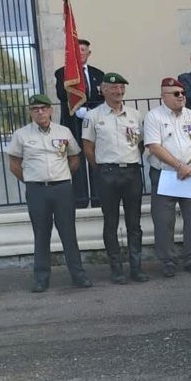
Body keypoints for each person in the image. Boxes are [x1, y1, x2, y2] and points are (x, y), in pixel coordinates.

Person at [7, 94, 92, 293]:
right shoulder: (21, 135)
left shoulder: (64, 131)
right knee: (41, 235)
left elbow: (74, 159)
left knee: (68, 234)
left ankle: (78, 275)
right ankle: (41, 279)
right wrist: (32, 179)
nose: (40, 112)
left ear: (50, 110)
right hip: (37, 190)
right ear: (30, 112)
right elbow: (14, 166)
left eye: (44, 108)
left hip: (62, 188)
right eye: (35, 109)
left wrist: (60, 176)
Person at [81, 72, 147, 284]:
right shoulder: (93, 116)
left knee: (134, 223)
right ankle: (116, 269)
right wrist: (100, 169)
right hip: (107, 173)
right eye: (113, 88)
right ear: (103, 90)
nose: (118, 91)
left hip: (131, 172)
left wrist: (130, 159)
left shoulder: (135, 115)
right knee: (111, 222)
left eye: (121, 88)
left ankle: (136, 268)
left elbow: (141, 143)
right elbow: (88, 147)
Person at [143, 77, 191, 278]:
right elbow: (154, 147)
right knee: (164, 220)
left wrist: (190, 165)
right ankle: (168, 261)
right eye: (175, 94)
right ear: (164, 96)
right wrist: (179, 166)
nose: (181, 97)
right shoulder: (153, 117)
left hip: (190, 172)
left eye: (182, 93)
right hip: (166, 174)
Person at [54, 38, 105, 208]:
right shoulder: (63, 73)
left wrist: (91, 111)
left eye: (84, 50)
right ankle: (80, 200)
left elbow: (103, 97)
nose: (81, 53)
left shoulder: (98, 73)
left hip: (93, 125)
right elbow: (62, 95)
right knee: (77, 161)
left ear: (88, 54)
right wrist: (77, 108)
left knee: (94, 159)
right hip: (73, 124)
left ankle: (98, 199)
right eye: (78, 50)